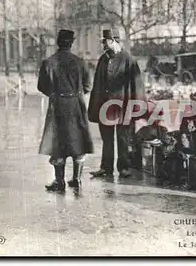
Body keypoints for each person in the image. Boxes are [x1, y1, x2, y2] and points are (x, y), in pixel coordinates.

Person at [38, 29, 94, 192]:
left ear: (58, 42)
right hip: (76, 105)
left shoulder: (48, 62)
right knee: (77, 141)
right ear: (71, 43)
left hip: (58, 106)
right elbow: (87, 86)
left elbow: (41, 86)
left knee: (58, 143)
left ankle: (60, 181)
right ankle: (76, 179)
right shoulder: (80, 62)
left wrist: (55, 94)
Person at [88, 29, 146, 178]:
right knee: (107, 139)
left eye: (104, 41)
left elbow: (137, 85)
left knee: (123, 138)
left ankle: (124, 167)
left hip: (124, 106)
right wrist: (95, 106)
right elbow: (97, 85)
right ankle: (106, 168)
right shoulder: (103, 59)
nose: (102, 44)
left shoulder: (128, 59)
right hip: (105, 107)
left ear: (113, 40)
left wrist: (138, 107)